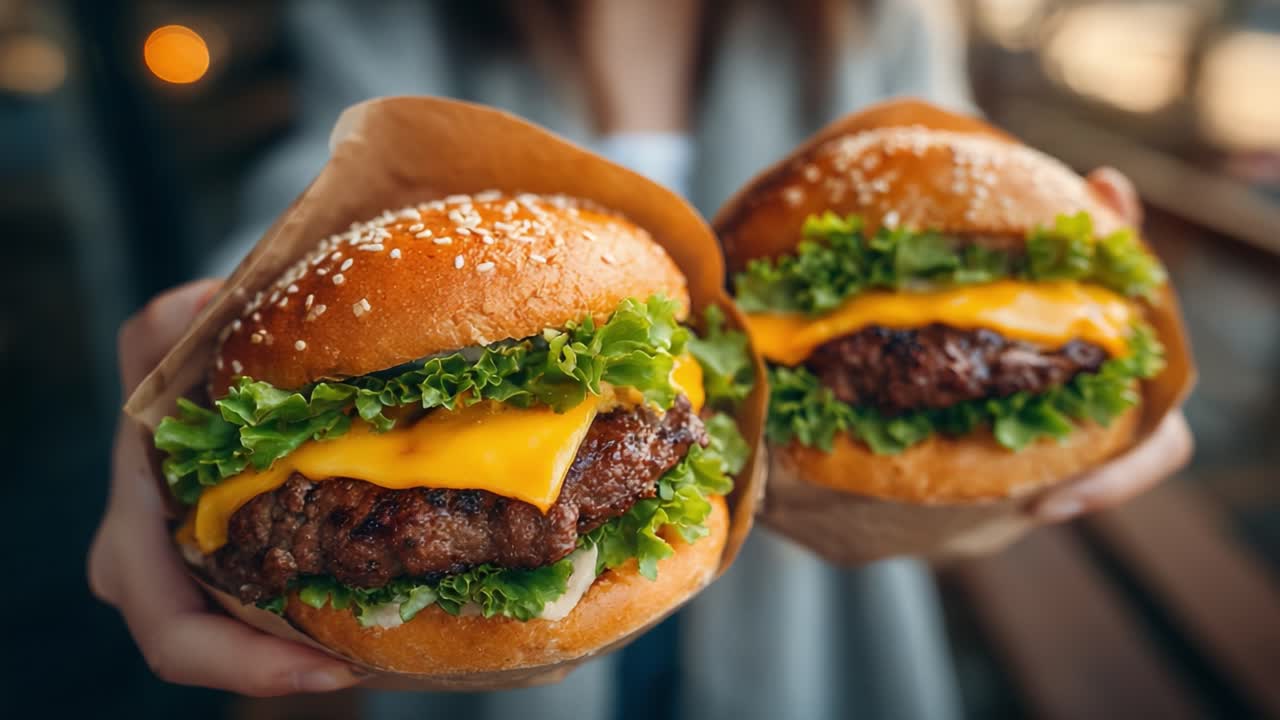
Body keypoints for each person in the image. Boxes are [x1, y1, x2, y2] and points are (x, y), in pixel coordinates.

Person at [90, 2, 1193, 717]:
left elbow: (962, 166)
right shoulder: (388, 13)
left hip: (820, 622)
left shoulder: (874, 17)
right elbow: (309, 205)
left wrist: (1117, 348)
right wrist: (186, 350)